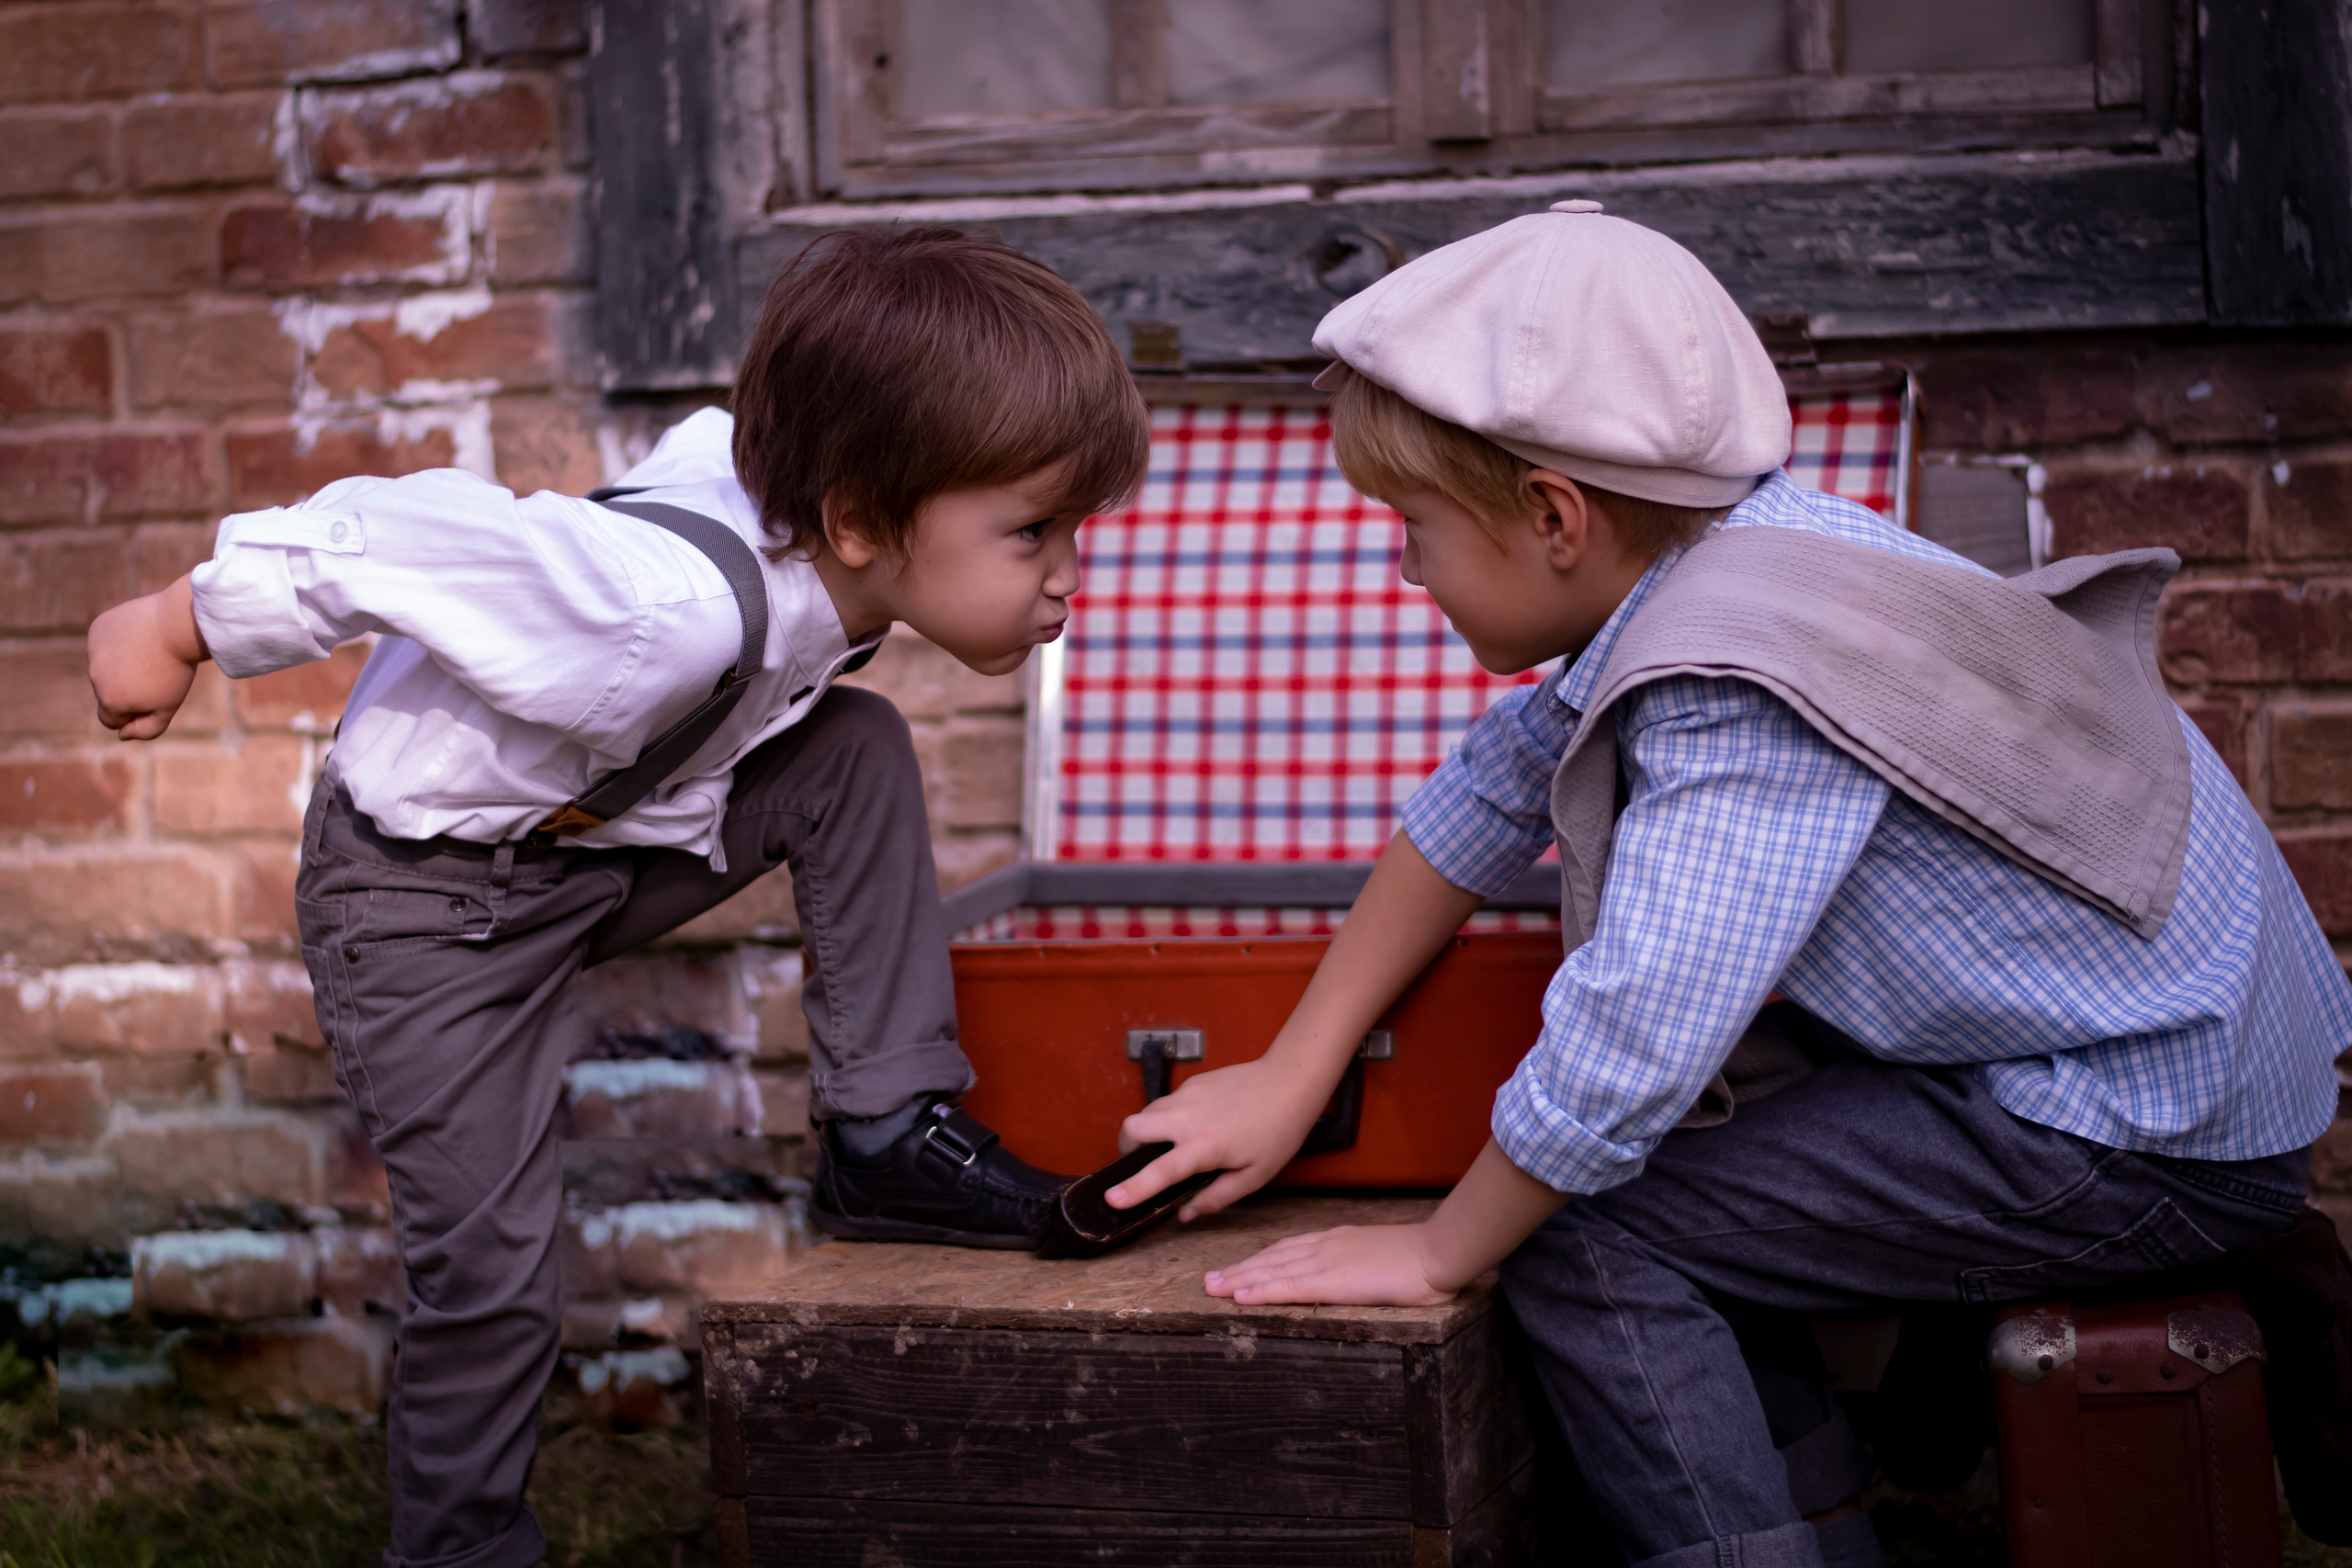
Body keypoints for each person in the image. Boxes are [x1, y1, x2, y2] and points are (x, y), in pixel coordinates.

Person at [1110, 203, 2351, 1568]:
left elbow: (1631, 1044)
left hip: (2139, 1129)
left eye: (1412, 529)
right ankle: (1824, 1519)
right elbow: (1483, 798)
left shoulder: (1735, 675)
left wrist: (1440, 1252)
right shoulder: (1737, 550)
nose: (1405, 570)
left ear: (1551, 515)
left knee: (1588, 1231)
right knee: (1679, 1167)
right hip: (2141, 1070)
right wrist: (1296, 1071)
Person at [85, 228, 1148, 1568]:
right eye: (1031, 531)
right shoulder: (652, 613)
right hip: (423, 913)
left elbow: (732, 440)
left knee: (852, 752)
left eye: (1075, 527)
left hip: (587, 859)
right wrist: (181, 619)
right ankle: (463, 1553)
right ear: (865, 523)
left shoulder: (825, 536)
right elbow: (406, 536)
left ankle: (885, 1135)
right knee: (493, 1277)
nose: (1068, 571)